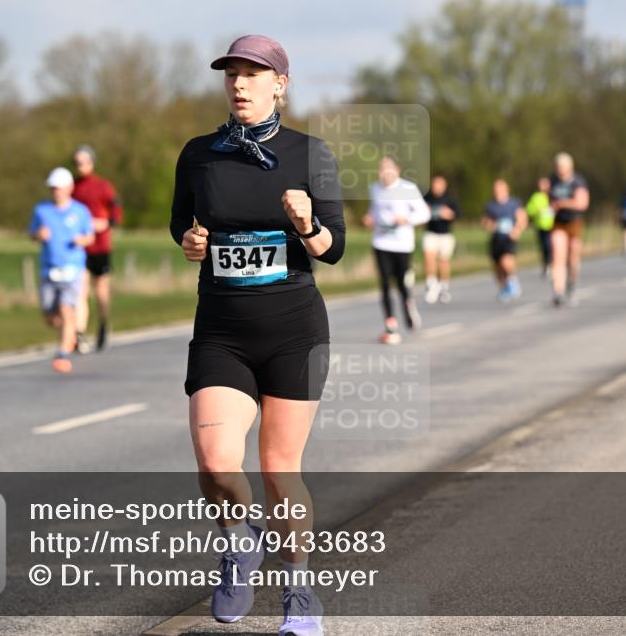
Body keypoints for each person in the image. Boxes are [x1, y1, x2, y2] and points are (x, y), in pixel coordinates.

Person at [169, 34, 345, 636]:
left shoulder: (310, 153)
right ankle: (240, 543)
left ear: (280, 84)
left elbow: (335, 249)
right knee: (218, 466)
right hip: (221, 329)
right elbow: (183, 230)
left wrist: (308, 223)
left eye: (253, 73)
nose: (239, 83)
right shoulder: (199, 154)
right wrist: (192, 244)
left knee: (278, 469)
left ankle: (300, 595)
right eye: (231, 73)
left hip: (294, 330)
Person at [29, 167, 95, 373]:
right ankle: (70, 336)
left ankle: (63, 353)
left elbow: (90, 236)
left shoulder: (80, 211)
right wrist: (39, 235)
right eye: (52, 188)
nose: (55, 191)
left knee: (67, 310)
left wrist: (81, 240)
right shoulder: (41, 210)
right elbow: (31, 234)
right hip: (49, 268)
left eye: (58, 187)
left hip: (73, 268)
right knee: (50, 316)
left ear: (69, 188)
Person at [363, 156, 430, 344]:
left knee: (401, 284)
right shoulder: (375, 188)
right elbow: (375, 211)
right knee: (384, 283)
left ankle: (408, 307)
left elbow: (424, 213)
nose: (385, 172)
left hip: (402, 245)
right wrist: (370, 217)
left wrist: (406, 219)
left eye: (388, 168)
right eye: (382, 168)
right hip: (381, 242)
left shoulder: (408, 189)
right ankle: (390, 325)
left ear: (397, 170)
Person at [72, 145, 122, 352]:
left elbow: (116, 212)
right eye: (76, 163)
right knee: (80, 291)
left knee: (101, 290)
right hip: (79, 247)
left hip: (100, 246)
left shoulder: (103, 186)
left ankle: (103, 322)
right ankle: (80, 333)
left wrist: (105, 223)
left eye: (83, 162)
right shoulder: (72, 188)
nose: (79, 166)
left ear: (91, 162)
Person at [548, 152, 590, 306]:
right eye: (558, 167)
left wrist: (563, 203)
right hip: (558, 222)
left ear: (570, 167)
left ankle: (571, 284)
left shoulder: (577, 181)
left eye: (563, 167)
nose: (560, 170)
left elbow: (582, 203)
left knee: (573, 256)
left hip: (574, 222)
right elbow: (548, 199)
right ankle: (558, 291)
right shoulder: (552, 180)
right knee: (558, 255)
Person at [483, 178, 528, 301]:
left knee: (506, 261)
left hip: (509, 238)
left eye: (500, 188)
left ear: (506, 189)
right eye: (496, 189)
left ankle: (512, 280)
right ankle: (503, 289)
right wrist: (490, 225)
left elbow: (522, 218)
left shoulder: (514, 203)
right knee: (498, 267)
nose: (498, 191)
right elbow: (486, 222)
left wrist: (517, 230)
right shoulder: (491, 206)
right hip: (496, 239)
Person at [421, 174, 460, 304]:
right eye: (435, 184)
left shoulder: (449, 200)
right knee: (429, 258)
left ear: (444, 186)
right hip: (431, 233)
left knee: (443, 262)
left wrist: (448, 214)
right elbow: (418, 214)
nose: (437, 187)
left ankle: (444, 287)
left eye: (439, 184)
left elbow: (457, 215)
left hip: (445, 234)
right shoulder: (426, 198)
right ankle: (431, 284)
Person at [525, 177, 555, 277]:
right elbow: (529, 209)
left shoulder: (553, 196)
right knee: (544, 247)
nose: (543, 187)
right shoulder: (536, 196)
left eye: (545, 184)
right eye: (541, 184)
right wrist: (537, 211)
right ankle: (546, 265)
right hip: (541, 226)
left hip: (554, 226)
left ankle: (554, 264)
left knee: (551, 246)